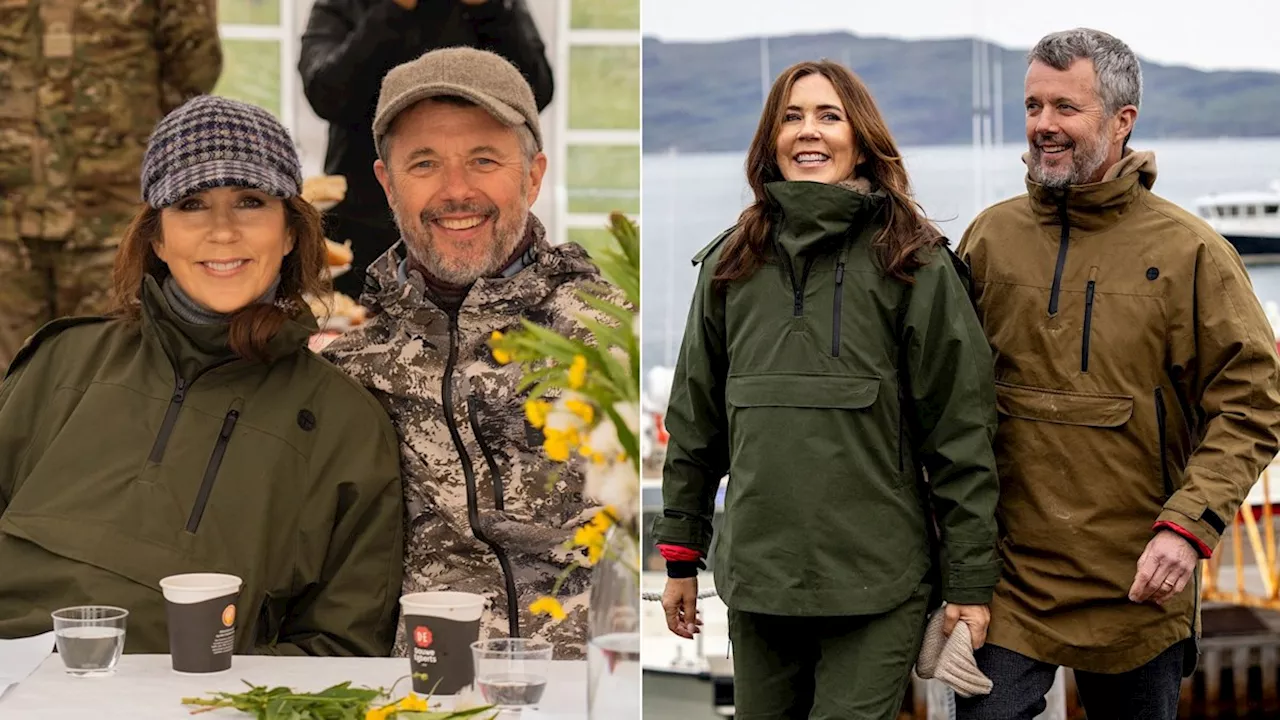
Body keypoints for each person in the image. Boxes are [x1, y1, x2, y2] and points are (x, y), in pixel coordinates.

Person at [651, 60, 1002, 719]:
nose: (807, 131)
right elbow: (695, 422)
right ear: (770, 142)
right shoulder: (730, 265)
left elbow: (962, 434)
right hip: (758, 580)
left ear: (862, 140)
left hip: (879, 581)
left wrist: (969, 583)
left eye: (828, 116)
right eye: (791, 117)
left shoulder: (916, 265)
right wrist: (679, 559)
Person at [0, 96, 405, 657]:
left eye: (249, 201)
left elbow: (341, 645)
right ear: (158, 239)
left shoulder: (346, 425)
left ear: (290, 233)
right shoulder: (61, 363)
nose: (222, 232)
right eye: (191, 204)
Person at [955, 28, 1280, 720]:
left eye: (1065, 108)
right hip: (1009, 577)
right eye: (1033, 106)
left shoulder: (1194, 253)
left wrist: (1188, 527)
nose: (1043, 125)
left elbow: (1255, 401)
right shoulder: (989, 238)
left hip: (1140, 575)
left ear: (1122, 120)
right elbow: (942, 397)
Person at [322, 46, 618, 660]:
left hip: (591, 684)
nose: (456, 191)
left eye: (484, 160)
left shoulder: (616, 334)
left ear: (533, 175)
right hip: (426, 689)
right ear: (387, 184)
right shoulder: (348, 365)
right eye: (424, 164)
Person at [0, 1, 223, 367]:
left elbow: (192, 68)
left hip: (113, 221)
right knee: (9, 393)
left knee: (110, 381)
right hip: (8, 225)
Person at [299, 0, 554, 299]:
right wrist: (393, 9)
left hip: (486, 231)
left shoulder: (497, 6)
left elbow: (535, 93)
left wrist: (490, 10)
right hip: (362, 223)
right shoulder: (345, 5)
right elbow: (325, 93)